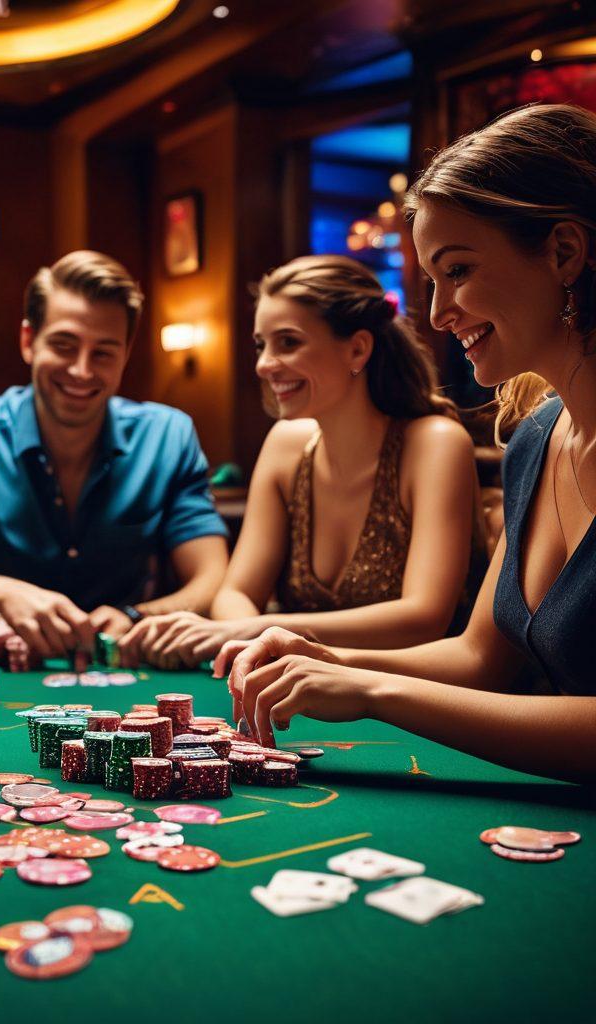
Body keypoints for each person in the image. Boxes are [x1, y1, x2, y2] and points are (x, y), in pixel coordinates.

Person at [215, 103, 596, 783]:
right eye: (431, 281)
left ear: (563, 252)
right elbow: (479, 657)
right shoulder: (536, 438)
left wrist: (375, 691)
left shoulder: (442, 441)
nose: (439, 313)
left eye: (457, 271)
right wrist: (326, 660)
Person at [121, 255, 486, 668]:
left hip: (416, 704)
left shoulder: (435, 444)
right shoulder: (286, 446)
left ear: (357, 348)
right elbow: (234, 593)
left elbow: (424, 618)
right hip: (303, 696)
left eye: (288, 342)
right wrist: (247, 639)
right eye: (262, 345)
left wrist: (260, 629)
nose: (264, 364)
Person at [0, 250, 230, 658]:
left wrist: (137, 615)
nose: (81, 371)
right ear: (29, 341)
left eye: (103, 352)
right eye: (64, 345)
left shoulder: (168, 435)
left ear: (126, 354)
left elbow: (213, 578)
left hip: (126, 678)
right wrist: (4, 593)